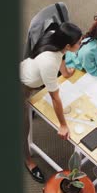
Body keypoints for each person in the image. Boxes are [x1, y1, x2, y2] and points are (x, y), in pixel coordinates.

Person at [20, 22, 83, 183]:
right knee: (22, 129)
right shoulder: (48, 63)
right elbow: (55, 97)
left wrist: (66, 72)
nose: (81, 44)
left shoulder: (56, 35)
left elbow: (59, 55)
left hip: (28, 78)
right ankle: (28, 161)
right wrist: (63, 125)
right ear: (69, 46)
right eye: (79, 42)